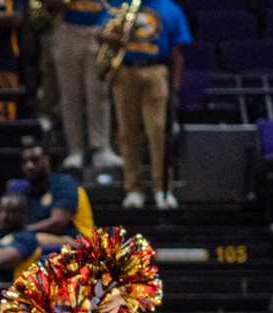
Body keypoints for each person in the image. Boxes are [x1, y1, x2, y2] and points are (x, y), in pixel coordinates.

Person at [111, 0, 189, 210]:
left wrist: (175, 88)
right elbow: (102, 31)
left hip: (156, 71)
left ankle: (162, 189)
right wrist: (107, 35)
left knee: (158, 132)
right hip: (125, 71)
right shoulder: (120, 4)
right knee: (127, 133)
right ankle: (133, 190)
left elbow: (178, 52)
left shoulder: (170, 9)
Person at [49, 0, 118, 174]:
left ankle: (101, 147)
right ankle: (75, 149)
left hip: (101, 31)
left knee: (99, 92)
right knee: (70, 93)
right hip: (68, 30)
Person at [12, 142, 94, 240]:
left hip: (73, 240)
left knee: (25, 240)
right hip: (36, 236)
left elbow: (58, 223)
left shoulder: (64, 183)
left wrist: (26, 230)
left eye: (35, 160)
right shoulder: (25, 189)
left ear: (47, 160)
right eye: (24, 162)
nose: (29, 166)